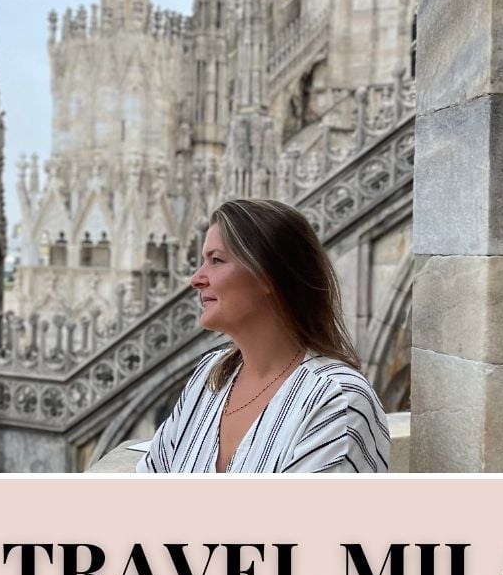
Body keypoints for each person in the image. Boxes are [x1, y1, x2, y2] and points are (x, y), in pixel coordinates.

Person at [140, 198, 390, 475]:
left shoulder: (336, 399)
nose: (196, 278)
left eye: (216, 260)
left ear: (268, 276)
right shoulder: (208, 377)